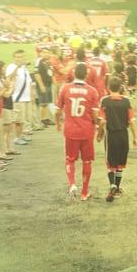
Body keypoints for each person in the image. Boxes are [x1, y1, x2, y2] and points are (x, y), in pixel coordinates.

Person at [55, 63, 99, 201]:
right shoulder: (92, 91)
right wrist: (98, 125)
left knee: (70, 159)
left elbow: (57, 110)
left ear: (73, 74)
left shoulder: (65, 88)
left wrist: (58, 122)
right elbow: (95, 116)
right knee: (87, 161)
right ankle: (84, 192)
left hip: (70, 130)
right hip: (86, 131)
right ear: (86, 75)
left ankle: (72, 184)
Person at [97, 76, 137, 203]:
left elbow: (102, 121)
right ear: (121, 87)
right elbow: (131, 122)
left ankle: (112, 186)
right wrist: (135, 137)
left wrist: (99, 133)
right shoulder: (126, 101)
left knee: (110, 163)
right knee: (120, 163)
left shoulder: (105, 101)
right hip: (123, 135)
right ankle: (118, 188)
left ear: (108, 87)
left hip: (111, 135)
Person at [5, 50, 33, 146]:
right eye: (18, 57)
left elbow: (28, 80)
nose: (20, 59)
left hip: (26, 97)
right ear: (14, 58)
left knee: (23, 119)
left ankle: (21, 135)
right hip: (17, 97)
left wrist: (31, 94)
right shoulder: (11, 67)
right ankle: (17, 138)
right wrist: (17, 66)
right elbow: (9, 78)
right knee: (18, 119)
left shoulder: (24, 68)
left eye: (22, 57)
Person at [34, 47, 55, 126]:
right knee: (42, 103)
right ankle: (42, 120)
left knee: (47, 102)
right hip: (43, 85)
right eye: (44, 52)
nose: (46, 54)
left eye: (47, 52)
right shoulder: (39, 61)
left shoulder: (48, 62)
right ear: (41, 53)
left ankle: (46, 119)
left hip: (48, 84)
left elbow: (50, 73)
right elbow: (36, 73)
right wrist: (41, 85)